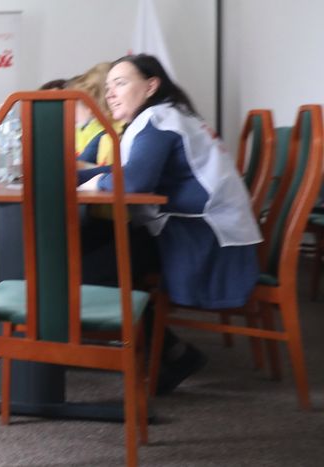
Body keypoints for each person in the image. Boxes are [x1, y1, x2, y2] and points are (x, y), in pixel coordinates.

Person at [78, 54, 261, 394]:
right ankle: (156, 348)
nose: (111, 93)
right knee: (93, 246)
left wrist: (87, 183)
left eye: (121, 83)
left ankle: (173, 354)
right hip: (195, 231)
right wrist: (65, 173)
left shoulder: (158, 118)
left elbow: (133, 184)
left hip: (205, 241)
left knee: (90, 270)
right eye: (108, 87)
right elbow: (118, 172)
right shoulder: (167, 116)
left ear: (151, 85)